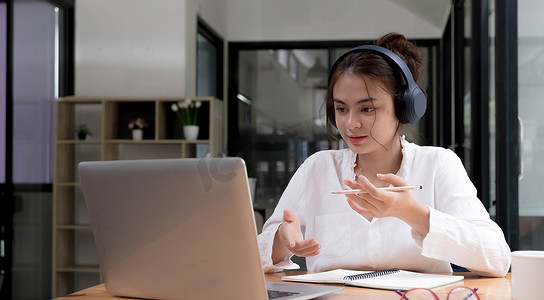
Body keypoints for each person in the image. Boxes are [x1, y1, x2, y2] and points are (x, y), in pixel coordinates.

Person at [257, 32, 511, 277]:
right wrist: (280, 239)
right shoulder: (317, 168)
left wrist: (413, 213)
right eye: (341, 109)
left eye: (367, 109)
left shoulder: (438, 165)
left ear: (404, 107)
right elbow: (250, 258)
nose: (350, 123)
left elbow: (497, 258)